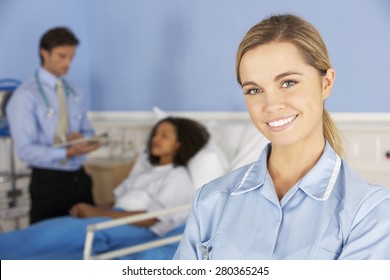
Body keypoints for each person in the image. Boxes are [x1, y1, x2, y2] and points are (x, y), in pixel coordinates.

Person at [174, 14, 390, 260]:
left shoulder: (369, 212)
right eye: (254, 90)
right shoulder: (210, 201)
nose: (271, 104)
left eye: (288, 82)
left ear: (326, 83)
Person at [0, 117, 210, 259]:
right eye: (156, 133)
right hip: (112, 217)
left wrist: (97, 212)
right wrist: (88, 210)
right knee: (56, 231)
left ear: (179, 144)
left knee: (58, 236)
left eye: (165, 135)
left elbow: (153, 219)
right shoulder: (146, 172)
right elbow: (117, 202)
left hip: (138, 228)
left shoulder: (177, 176)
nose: (156, 138)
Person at [6, 27, 101, 224]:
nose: (68, 63)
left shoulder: (74, 90)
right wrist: (67, 152)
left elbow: (88, 129)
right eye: (62, 56)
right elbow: (26, 151)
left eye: (72, 57)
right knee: (49, 247)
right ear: (44, 52)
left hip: (79, 179)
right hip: (48, 183)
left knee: (89, 240)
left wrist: (84, 139)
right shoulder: (25, 96)